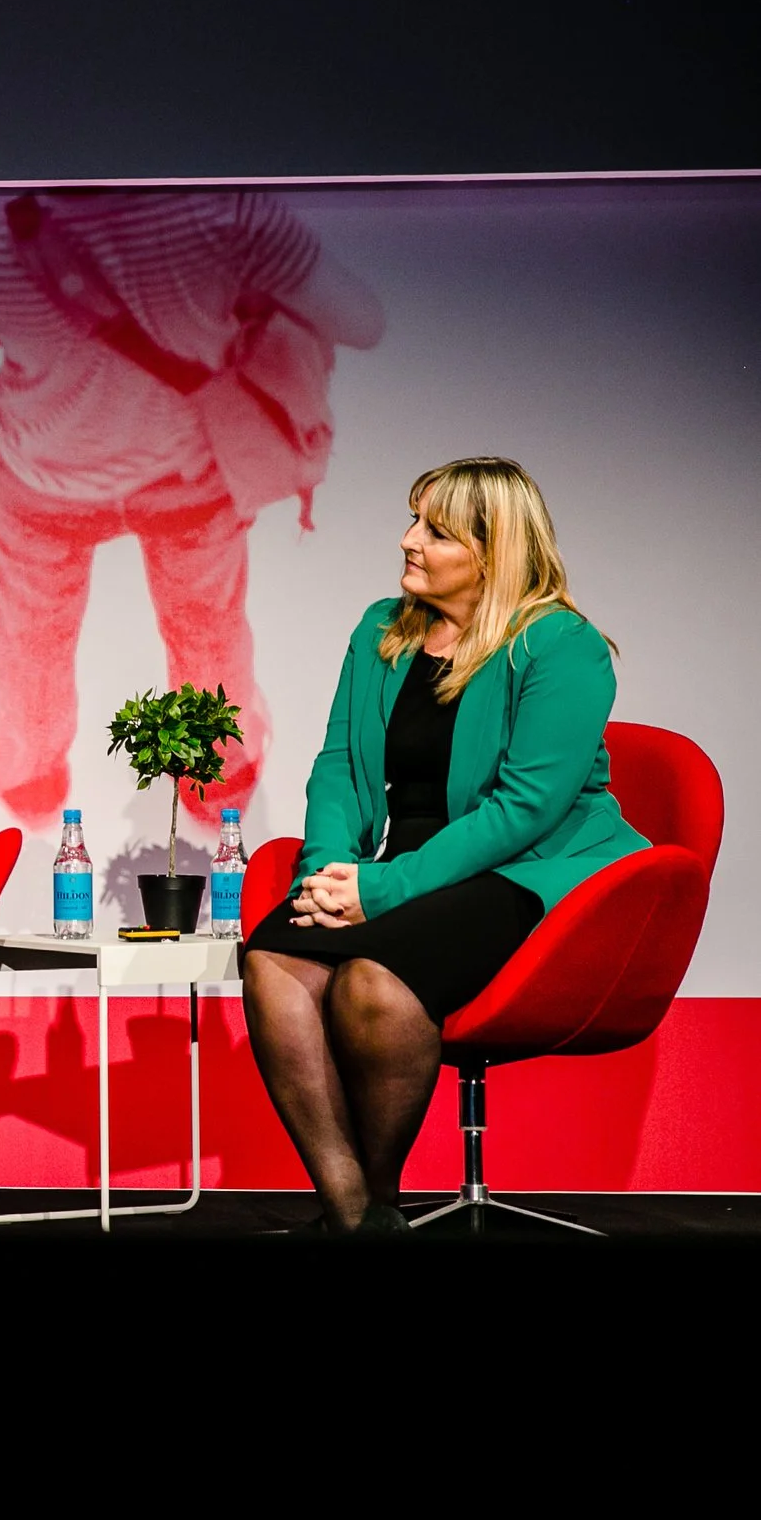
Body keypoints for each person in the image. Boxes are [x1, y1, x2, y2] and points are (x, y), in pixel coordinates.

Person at [241, 457, 649, 1234]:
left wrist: (381, 891)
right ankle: (356, 1211)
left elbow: (524, 808)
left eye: (435, 529)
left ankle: (375, 1200)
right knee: (273, 960)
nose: (408, 540)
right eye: (412, 519)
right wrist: (330, 869)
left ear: (492, 552)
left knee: (373, 983)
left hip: (530, 870)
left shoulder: (561, 647)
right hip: (407, 863)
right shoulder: (380, 631)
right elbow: (339, 766)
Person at [0, 188, 384, 830]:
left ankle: (28, 775)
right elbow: (361, 320)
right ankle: (217, 783)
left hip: (43, 479)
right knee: (207, 626)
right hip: (191, 476)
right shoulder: (227, 211)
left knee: (32, 631)